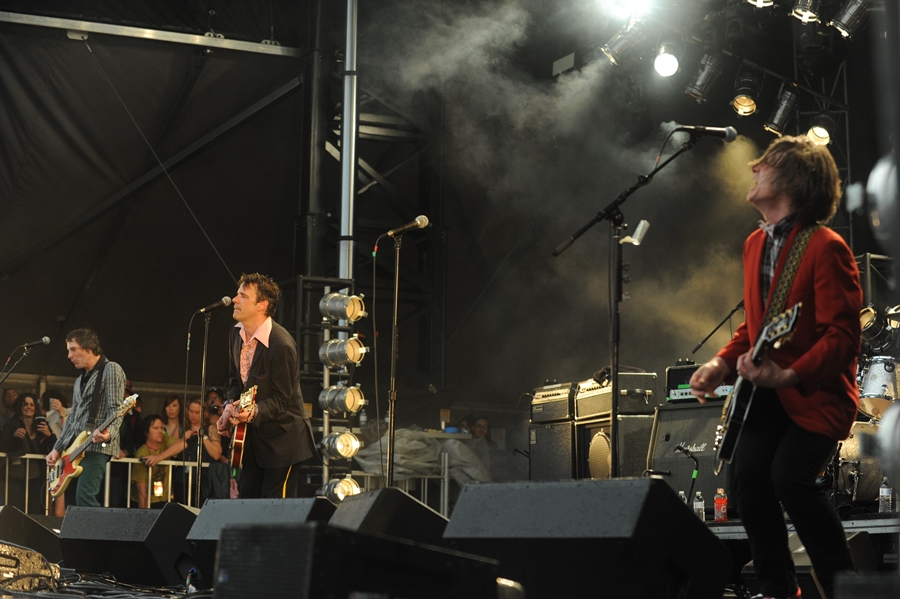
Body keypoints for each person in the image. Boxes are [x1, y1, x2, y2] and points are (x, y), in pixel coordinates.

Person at [689, 136, 861, 599]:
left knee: (790, 476)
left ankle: (845, 586)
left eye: (765, 164)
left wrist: (789, 374)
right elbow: (757, 328)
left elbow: (843, 337)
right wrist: (719, 364)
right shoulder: (753, 245)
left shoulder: (826, 247)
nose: (752, 168)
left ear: (796, 180)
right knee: (749, 481)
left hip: (814, 392)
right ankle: (777, 588)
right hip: (767, 392)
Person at [217, 272, 316, 498]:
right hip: (254, 441)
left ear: (262, 305)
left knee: (275, 512)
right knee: (248, 504)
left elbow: (282, 400)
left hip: (284, 442)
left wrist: (252, 412)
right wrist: (229, 408)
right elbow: (236, 383)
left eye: (243, 296)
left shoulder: (281, 344)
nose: (234, 299)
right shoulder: (235, 334)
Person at [46, 328, 126, 507]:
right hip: (76, 447)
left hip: (97, 447)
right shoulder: (79, 380)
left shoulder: (111, 369)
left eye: (73, 349)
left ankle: (98, 534)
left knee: (85, 497)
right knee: (72, 501)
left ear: (89, 348)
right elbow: (72, 418)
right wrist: (57, 449)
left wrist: (109, 433)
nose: (69, 355)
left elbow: (116, 409)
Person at [0, 393, 56, 513]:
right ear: (20, 406)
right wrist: (14, 436)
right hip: (14, 475)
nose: (28, 407)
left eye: (31, 404)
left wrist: (49, 435)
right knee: (15, 510)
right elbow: (3, 445)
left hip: (36, 476)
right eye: (25, 404)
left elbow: (54, 447)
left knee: (34, 510)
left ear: (35, 407)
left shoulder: (41, 424)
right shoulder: (11, 424)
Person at [132, 414, 187, 508]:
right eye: (155, 428)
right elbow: (142, 492)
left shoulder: (164, 440)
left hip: (165, 500)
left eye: (161, 428)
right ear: (146, 432)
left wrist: (159, 457)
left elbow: (183, 444)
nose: (160, 431)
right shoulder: (142, 453)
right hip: (149, 502)